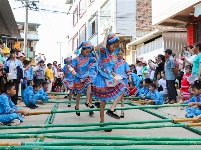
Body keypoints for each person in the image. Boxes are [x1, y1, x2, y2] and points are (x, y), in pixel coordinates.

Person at [93, 33, 125, 132]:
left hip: (109, 77)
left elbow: (111, 67)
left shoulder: (112, 54)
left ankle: (111, 109)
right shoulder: (103, 51)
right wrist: (106, 36)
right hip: (101, 79)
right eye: (113, 46)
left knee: (123, 88)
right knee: (103, 102)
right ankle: (102, 121)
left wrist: (115, 75)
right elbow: (103, 46)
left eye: (115, 47)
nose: (114, 48)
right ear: (108, 44)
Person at [70, 41, 96, 116]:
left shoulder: (88, 58)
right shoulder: (76, 59)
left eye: (88, 52)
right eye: (86, 52)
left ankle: (87, 102)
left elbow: (96, 59)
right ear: (82, 50)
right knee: (79, 93)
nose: (87, 53)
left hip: (86, 75)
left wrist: (93, 50)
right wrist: (72, 71)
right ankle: (77, 106)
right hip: (78, 76)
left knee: (89, 84)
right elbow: (71, 66)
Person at [114, 49, 132, 118]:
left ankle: (122, 112)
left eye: (121, 54)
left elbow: (128, 71)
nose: (120, 55)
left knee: (122, 97)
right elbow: (112, 71)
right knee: (115, 96)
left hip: (123, 80)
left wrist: (130, 78)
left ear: (123, 54)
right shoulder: (114, 62)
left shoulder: (124, 62)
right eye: (118, 54)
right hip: (116, 80)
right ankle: (114, 110)